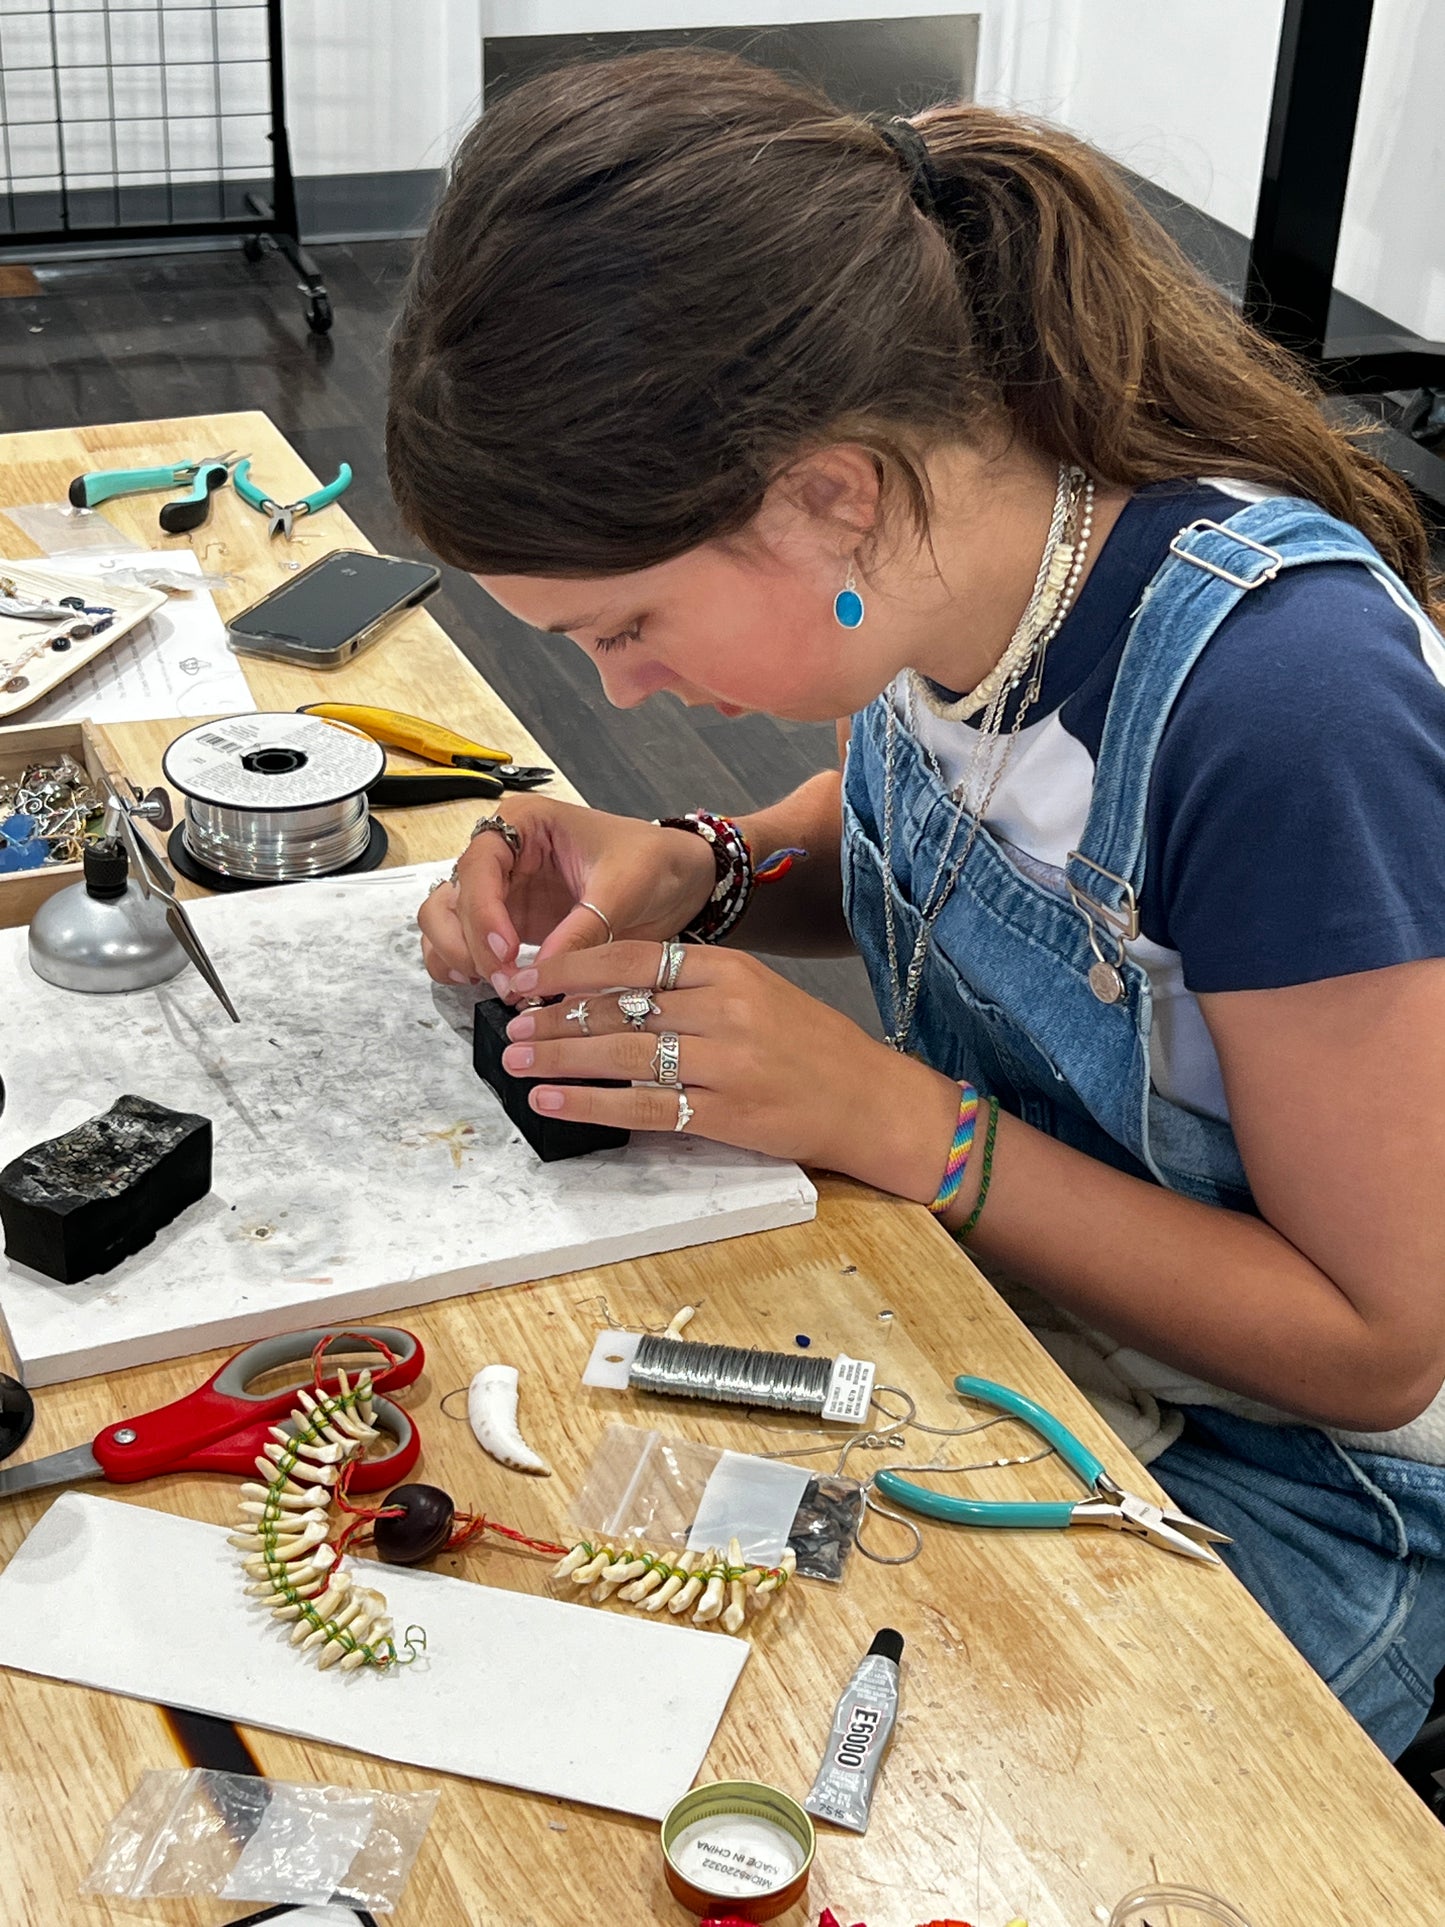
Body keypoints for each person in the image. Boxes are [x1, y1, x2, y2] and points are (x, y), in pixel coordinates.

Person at [387, 50, 1445, 1756]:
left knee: (832, 1771)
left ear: (828, 495)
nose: (631, 689)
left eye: (627, 626)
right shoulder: (954, 555)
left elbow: (1376, 1344)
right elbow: (941, 842)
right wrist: (709, 867)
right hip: (1032, 1337)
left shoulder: (1281, 705)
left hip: (1325, 1475)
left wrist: (902, 1124)